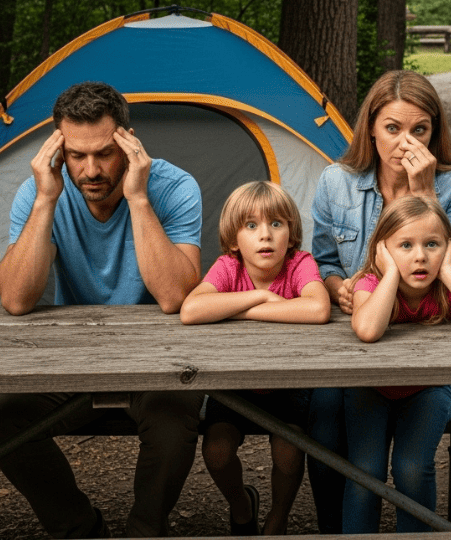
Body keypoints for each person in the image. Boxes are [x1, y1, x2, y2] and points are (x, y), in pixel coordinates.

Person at [0, 81, 203, 538]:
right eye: (76, 155)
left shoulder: (174, 188)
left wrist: (138, 197)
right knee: (3, 413)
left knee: (175, 415)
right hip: (73, 360)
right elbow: (15, 299)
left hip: (157, 362)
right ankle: (80, 530)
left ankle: (144, 532)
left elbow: (174, 297)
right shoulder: (39, 194)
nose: (90, 170)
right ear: (59, 151)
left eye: (104, 153)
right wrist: (46, 199)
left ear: (129, 143)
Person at [306, 69, 451, 532]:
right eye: (393, 128)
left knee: (410, 465)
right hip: (357, 341)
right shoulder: (336, 182)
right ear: (371, 129)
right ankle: (335, 529)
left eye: (419, 129)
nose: (406, 142)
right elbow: (322, 261)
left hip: (427, 342)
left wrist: (425, 194)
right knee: (323, 426)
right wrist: (337, 288)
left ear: (434, 133)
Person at [343, 195, 451, 532]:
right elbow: (368, 330)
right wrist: (389, 273)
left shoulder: (449, 283)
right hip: (369, 389)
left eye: (432, 244)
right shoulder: (370, 283)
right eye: (405, 245)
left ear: (448, 247)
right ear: (382, 250)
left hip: (428, 389)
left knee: (412, 468)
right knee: (364, 471)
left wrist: (448, 271)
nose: (420, 256)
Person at [180, 180, 330, 535]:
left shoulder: (299, 264)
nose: (265, 235)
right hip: (235, 384)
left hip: (288, 383)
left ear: (290, 236)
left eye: (276, 224)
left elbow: (318, 309)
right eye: (251, 225)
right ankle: (241, 504)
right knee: (216, 452)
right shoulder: (228, 267)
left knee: (289, 453)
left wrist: (238, 310)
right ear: (234, 240)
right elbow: (191, 309)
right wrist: (259, 298)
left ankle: (278, 518)